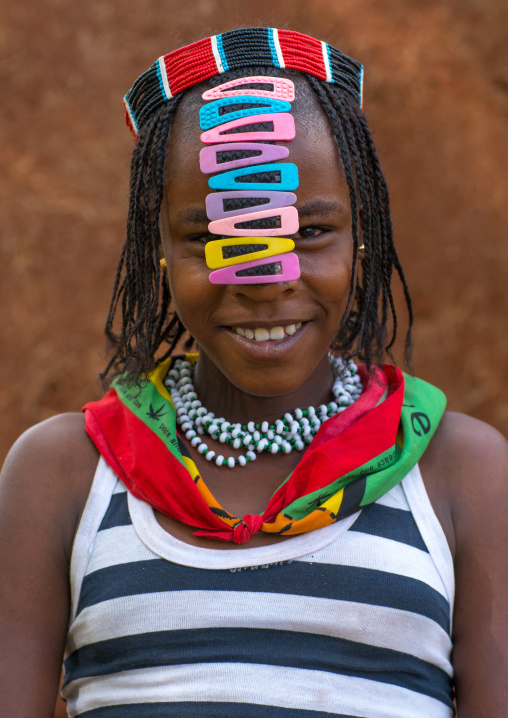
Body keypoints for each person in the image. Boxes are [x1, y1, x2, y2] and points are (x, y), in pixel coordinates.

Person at [1, 27, 507, 718]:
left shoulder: (461, 475)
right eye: (216, 239)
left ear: (365, 234)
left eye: (309, 233)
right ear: (160, 249)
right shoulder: (62, 476)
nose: (268, 282)